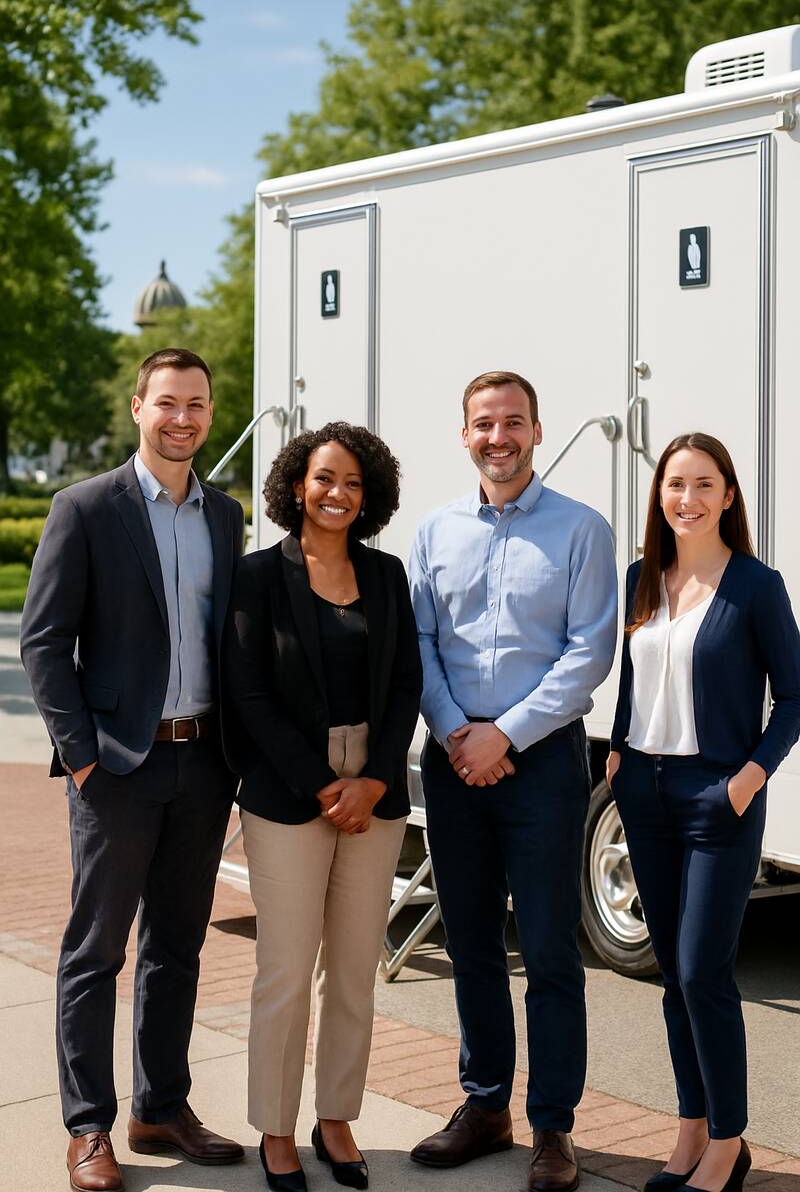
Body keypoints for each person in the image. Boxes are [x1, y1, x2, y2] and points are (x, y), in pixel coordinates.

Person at [20, 348, 245, 1191]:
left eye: (197, 404)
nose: (182, 418)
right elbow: (44, 642)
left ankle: (161, 1106)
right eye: (167, 402)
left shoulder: (226, 517)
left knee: (177, 948)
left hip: (203, 762)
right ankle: (88, 1126)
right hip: (117, 768)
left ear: (211, 414)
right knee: (96, 952)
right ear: (137, 408)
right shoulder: (85, 507)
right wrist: (82, 759)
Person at [408, 371, 618, 1192]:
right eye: (484, 424)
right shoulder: (434, 530)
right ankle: (485, 1104)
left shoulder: (581, 529)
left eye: (514, 422)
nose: (499, 437)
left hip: (544, 765)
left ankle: (553, 1126)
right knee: (469, 942)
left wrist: (506, 734)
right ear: (464, 434)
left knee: (551, 949)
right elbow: (420, 642)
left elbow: (589, 651)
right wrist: (458, 732)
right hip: (455, 759)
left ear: (536, 430)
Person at [225, 421, 422, 1192]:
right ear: (296, 486)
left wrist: (373, 779)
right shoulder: (257, 576)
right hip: (288, 791)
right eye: (324, 478)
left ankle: (335, 1118)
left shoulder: (387, 575)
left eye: (353, 483)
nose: (337, 493)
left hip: (374, 790)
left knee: (353, 969)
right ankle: (276, 1128)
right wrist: (320, 783)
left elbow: (405, 683)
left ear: (369, 497)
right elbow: (248, 692)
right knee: (284, 968)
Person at [607, 433, 800, 1192]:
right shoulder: (641, 577)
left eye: (703, 484)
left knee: (702, 973)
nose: (686, 499)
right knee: (671, 977)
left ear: (728, 496)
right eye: (674, 484)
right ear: (659, 493)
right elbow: (636, 676)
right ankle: (691, 1127)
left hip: (718, 796)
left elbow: (794, 698)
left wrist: (749, 778)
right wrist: (618, 749)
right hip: (644, 793)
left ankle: (728, 1141)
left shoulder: (756, 585)